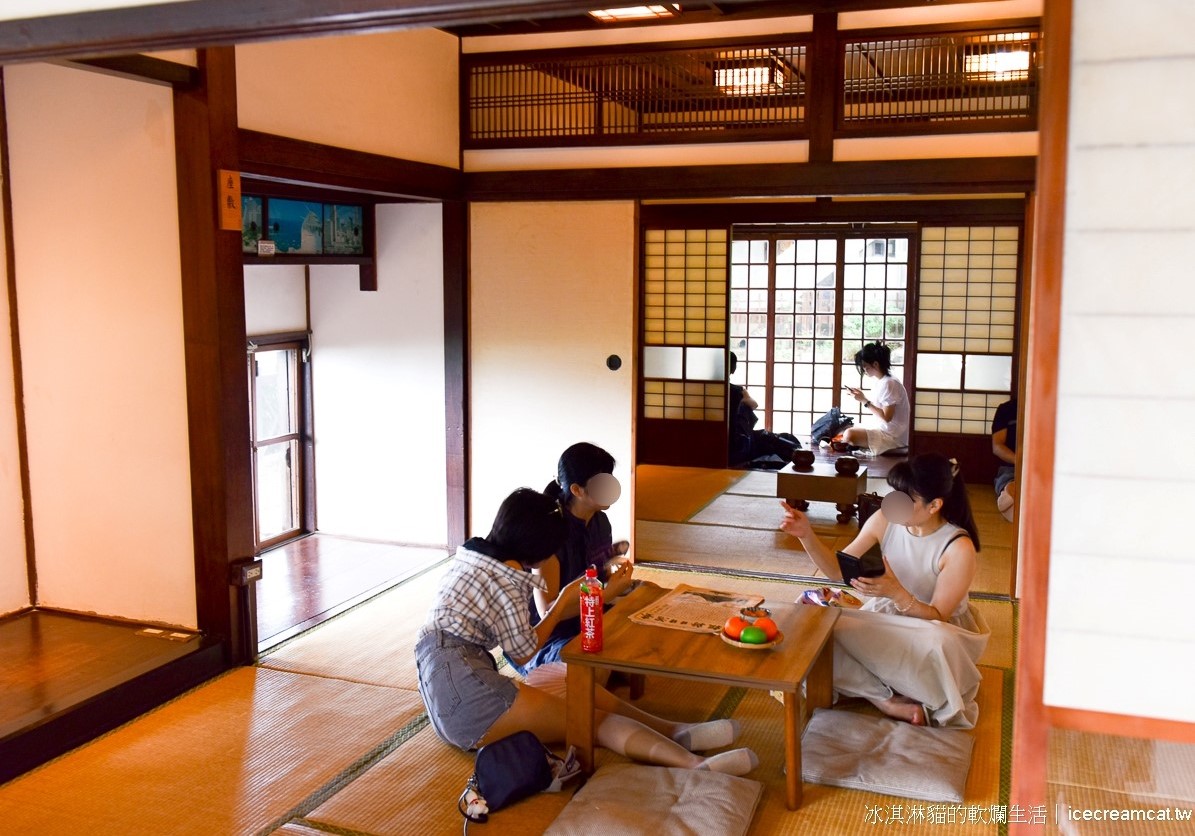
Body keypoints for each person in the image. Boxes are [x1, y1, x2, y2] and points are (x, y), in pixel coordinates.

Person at [414, 487, 758, 776]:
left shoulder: (474, 554)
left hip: (447, 683)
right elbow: (522, 652)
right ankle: (695, 764)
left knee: (569, 681)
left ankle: (675, 731)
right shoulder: (510, 576)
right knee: (589, 720)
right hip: (469, 699)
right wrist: (565, 600)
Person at [778, 454, 989, 728]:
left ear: (934, 505)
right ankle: (882, 698)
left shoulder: (958, 547)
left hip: (932, 631)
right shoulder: (885, 520)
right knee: (810, 621)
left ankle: (875, 682)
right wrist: (806, 535)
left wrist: (896, 592)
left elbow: (939, 616)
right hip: (885, 616)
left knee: (937, 642)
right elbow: (837, 571)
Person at [511, 442, 635, 675]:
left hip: (588, 618)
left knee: (646, 608)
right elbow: (548, 610)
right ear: (577, 490)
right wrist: (607, 593)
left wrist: (613, 575)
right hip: (547, 637)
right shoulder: (550, 533)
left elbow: (596, 578)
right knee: (591, 667)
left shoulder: (600, 521)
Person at [728, 353, 801, 466]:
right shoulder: (738, 391)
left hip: (713, 442)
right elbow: (754, 405)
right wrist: (743, 394)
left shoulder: (703, 388)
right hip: (737, 443)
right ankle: (794, 451)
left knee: (765, 438)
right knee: (767, 439)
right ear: (733, 370)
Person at [841, 342, 909, 455]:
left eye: (865, 367)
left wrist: (864, 400)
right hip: (885, 429)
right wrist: (862, 397)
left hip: (892, 436)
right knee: (843, 427)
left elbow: (887, 417)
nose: (864, 370)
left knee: (849, 434)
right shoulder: (884, 381)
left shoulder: (889, 383)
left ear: (876, 364)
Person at [991, 398, 1017, 522]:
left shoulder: (1050, 408)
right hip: (1012, 466)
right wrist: (1019, 461)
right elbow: (997, 446)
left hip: (1043, 466)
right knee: (1006, 479)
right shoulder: (1006, 409)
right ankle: (1010, 492)